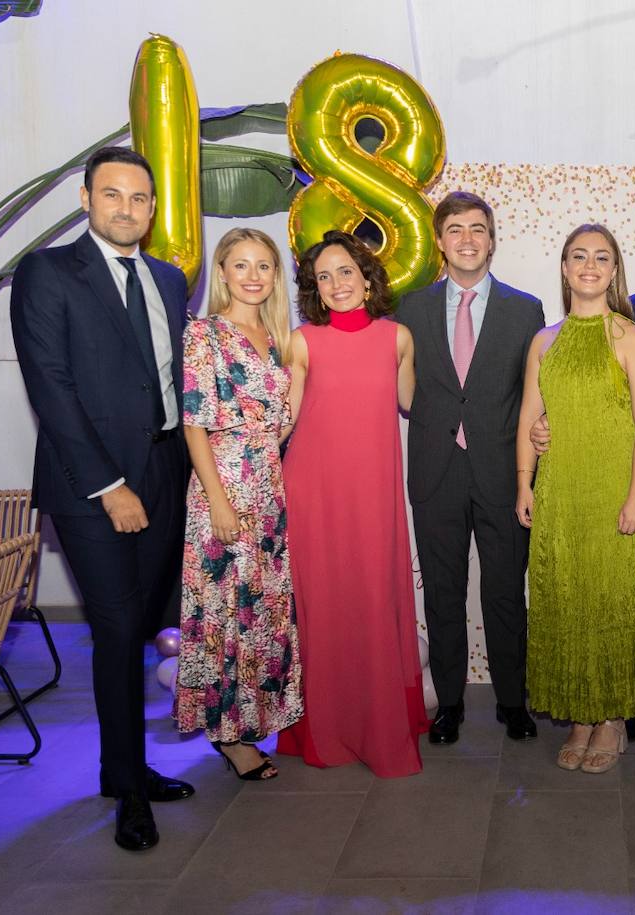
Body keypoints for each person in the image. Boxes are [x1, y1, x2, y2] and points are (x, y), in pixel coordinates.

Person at [10, 146, 194, 851]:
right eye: (112, 195)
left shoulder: (170, 279)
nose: (127, 209)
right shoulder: (49, 271)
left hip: (164, 472)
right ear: (87, 199)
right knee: (117, 630)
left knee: (142, 624)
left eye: (140, 198)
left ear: (152, 207)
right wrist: (110, 484)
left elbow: (175, 381)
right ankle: (125, 785)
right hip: (95, 487)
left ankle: (128, 765)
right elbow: (50, 387)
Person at [277, 230, 426, 778]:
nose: (337, 284)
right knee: (324, 608)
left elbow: (412, 403)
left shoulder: (398, 338)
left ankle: (380, 723)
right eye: (324, 277)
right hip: (314, 493)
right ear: (314, 290)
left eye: (346, 272)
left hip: (374, 494)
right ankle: (326, 727)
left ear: (367, 278)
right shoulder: (301, 342)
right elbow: (284, 423)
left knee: (371, 601)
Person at [398, 192, 545, 746]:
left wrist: (542, 429)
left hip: (504, 471)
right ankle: (451, 705)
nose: (466, 238)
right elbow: (404, 389)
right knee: (442, 590)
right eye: (455, 229)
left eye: (477, 229)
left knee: (506, 590)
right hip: (435, 470)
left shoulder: (524, 309)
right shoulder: (409, 308)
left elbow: (535, 391)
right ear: (439, 240)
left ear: (492, 238)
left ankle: (513, 701)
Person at [515, 223, 635, 774]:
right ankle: (579, 715)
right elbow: (529, 415)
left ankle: (611, 720)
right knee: (565, 599)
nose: (590, 265)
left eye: (601, 257)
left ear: (615, 270)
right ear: (565, 268)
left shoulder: (631, 338)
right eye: (579, 256)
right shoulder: (544, 340)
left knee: (609, 602)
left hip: (610, 491)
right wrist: (523, 481)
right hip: (558, 492)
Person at [174, 227, 301, 781]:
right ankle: (228, 734)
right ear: (221, 272)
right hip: (221, 488)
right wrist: (220, 503)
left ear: (276, 277)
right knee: (227, 612)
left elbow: (279, 419)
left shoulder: (274, 337)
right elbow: (195, 424)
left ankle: (251, 719)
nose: (253, 275)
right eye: (241, 264)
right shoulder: (205, 333)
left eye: (264, 266)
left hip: (267, 489)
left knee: (261, 612)